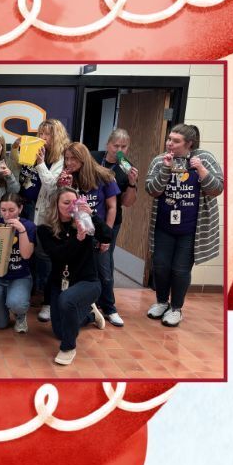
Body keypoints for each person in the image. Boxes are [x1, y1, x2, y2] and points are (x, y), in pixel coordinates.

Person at [144, 124, 224, 327]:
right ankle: (162, 302)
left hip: (191, 230)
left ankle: (176, 308)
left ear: (189, 143)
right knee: (160, 267)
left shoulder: (204, 158)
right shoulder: (159, 160)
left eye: (175, 140)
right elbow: (151, 189)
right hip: (164, 227)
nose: (169, 143)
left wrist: (201, 169)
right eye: (169, 139)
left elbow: (217, 188)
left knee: (180, 270)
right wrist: (165, 168)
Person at [37, 187, 112, 366]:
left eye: (74, 202)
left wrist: (92, 215)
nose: (71, 206)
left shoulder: (85, 222)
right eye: (66, 203)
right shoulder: (45, 230)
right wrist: (77, 240)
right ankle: (90, 315)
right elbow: (58, 256)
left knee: (67, 301)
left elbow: (107, 236)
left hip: (88, 282)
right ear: (56, 205)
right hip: (60, 282)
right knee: (59, 331)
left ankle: (68, 348)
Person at [60, 141, 122, 325]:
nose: (69, 162)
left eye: (73, 158)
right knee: (77, 272)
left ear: (83, 158)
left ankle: (110, 308)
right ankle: (87, 309)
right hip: (77, 234)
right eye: (67, 159)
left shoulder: (104, 176)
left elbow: (112, 208)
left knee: (104, 271)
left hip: (98, 231)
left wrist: (107, 237)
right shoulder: (69, 177)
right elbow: (63, 206)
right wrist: (64, 185)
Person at [16, 118, 70, 323]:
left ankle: (48, 302)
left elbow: (51, 185)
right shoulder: (39, 154)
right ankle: (37, 295)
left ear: (56, 136)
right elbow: (26, 179)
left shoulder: (63, 158)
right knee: (35, 255)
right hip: (34, 211)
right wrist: (25, 157)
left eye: (46, 134)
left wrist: (39, 164)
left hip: (52, 217)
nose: (42, 138)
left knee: (48, 259)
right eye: (40, 134)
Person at [96, 128, 140, 327]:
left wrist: (131, 183)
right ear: (108, 145)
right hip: (89, 218)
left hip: (112, 222)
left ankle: (110, 307)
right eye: (116, 146)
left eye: (123, 147)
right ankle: (93, 303)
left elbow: (128, 202)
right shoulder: (94, 158)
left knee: (105, 264)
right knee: (91, 262)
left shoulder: (127, 167)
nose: (119, 150)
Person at [0, 193, 35, 333]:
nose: (7, 214)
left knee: (16, 303)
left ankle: (20, 315)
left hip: (19, 276)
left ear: (20, 208)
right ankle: (1, 303)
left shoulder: (28, 226)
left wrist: (21, 230)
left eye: (11, 210)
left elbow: (26, 254)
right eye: (3, 210)